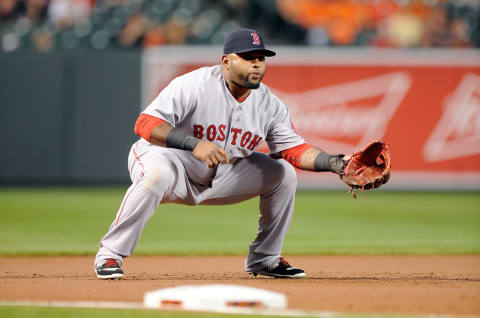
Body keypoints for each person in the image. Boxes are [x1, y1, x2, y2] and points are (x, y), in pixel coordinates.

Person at [94, 28, 345, 280]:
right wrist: (194, 144)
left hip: (224, 173)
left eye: (261, 58)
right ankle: (110, 254)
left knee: (283, 173)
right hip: (171, 162)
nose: (256, 64)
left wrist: (336, 164)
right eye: (248, 57)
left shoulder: (269, 104)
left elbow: (294, 149)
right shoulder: (194, 84)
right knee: (155, 176)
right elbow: (145, 124)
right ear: (226, 60)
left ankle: (265, 259)